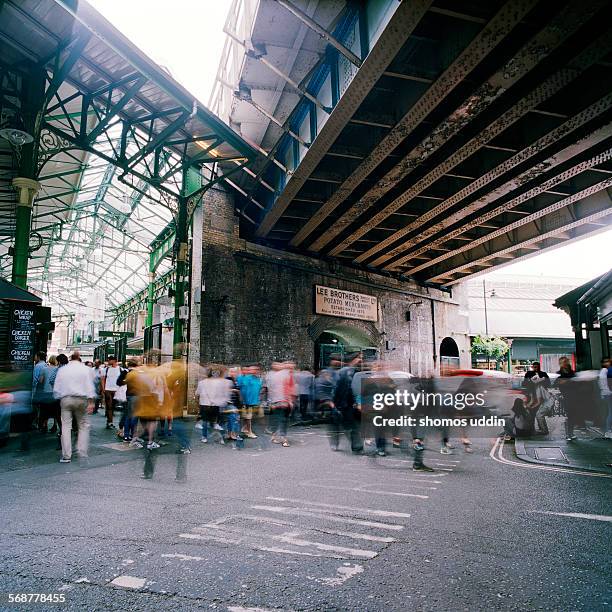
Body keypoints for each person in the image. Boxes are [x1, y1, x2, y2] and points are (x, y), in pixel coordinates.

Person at [53, 351, 95, 463]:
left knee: (66, 426)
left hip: (66, 399)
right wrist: (91, 402)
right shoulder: (85, 369)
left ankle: (66, 455)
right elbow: (89, 386)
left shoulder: (63, 370)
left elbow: (57, 388)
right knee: (83, 425)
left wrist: (59, 397)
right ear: (79, 358)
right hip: (81, 399)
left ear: (71, 358)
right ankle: (82, 451)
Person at [195, 366, 232, 444]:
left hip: (204, 404)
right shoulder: (221, 382)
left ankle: (204, 437)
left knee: (205, 421)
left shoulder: (202, 382)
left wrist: (198, 403)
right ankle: (220, 438)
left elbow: (197, 394)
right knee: (217, 422)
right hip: (216, 405)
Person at [265, 361, 295, 447]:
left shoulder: (284, 375)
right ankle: (283, 438)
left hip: (280, 401)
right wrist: (288, 401)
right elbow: (271, 389)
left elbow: (289, 388)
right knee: (282, 420)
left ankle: (276, 436)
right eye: (290, 367)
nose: (291, 368)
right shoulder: (283, 375)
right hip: (281, 401)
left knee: (280, 419)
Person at [556, 357, 578, 441]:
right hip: (565, 397)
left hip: (574, 396)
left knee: (573, 415)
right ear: (560, 364)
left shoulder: (572, 372)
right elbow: (557, 383)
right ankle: (568, 434)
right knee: (568, 415)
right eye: (563, 362)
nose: (565, 363)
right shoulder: (559, 374)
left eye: (566, 361)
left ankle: (571, 433)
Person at [236, 365, 261, 439]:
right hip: (247, 401)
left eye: (253, 369)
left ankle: (244, 428)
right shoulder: (245, 378)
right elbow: (240, 388)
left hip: (254, 401)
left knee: (249, 416)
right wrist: (243, 400)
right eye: (249, 370)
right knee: (248, 417)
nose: (250, 371)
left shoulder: (258, 379)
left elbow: (258, 389)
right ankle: (249, 432)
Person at [101, 355, 123, 429]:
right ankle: (109, 422)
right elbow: (103, 379)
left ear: (114, 360)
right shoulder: (106, 369)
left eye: (109, 360)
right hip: (108, 390)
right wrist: (103, 389)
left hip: (116, 390)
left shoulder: (120, 369)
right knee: (109, 406)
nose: (108, 361)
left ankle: (110, 421)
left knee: (113, 406)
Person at [598, 358, 612, 439]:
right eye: (606, 361)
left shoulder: (603, 371)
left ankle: (608, 430)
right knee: (610, 412)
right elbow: (605, 384)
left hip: (606, 394)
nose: (608, 362)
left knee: (609, 412)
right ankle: (608, 431)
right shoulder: (605, 371)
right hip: (608, 394)